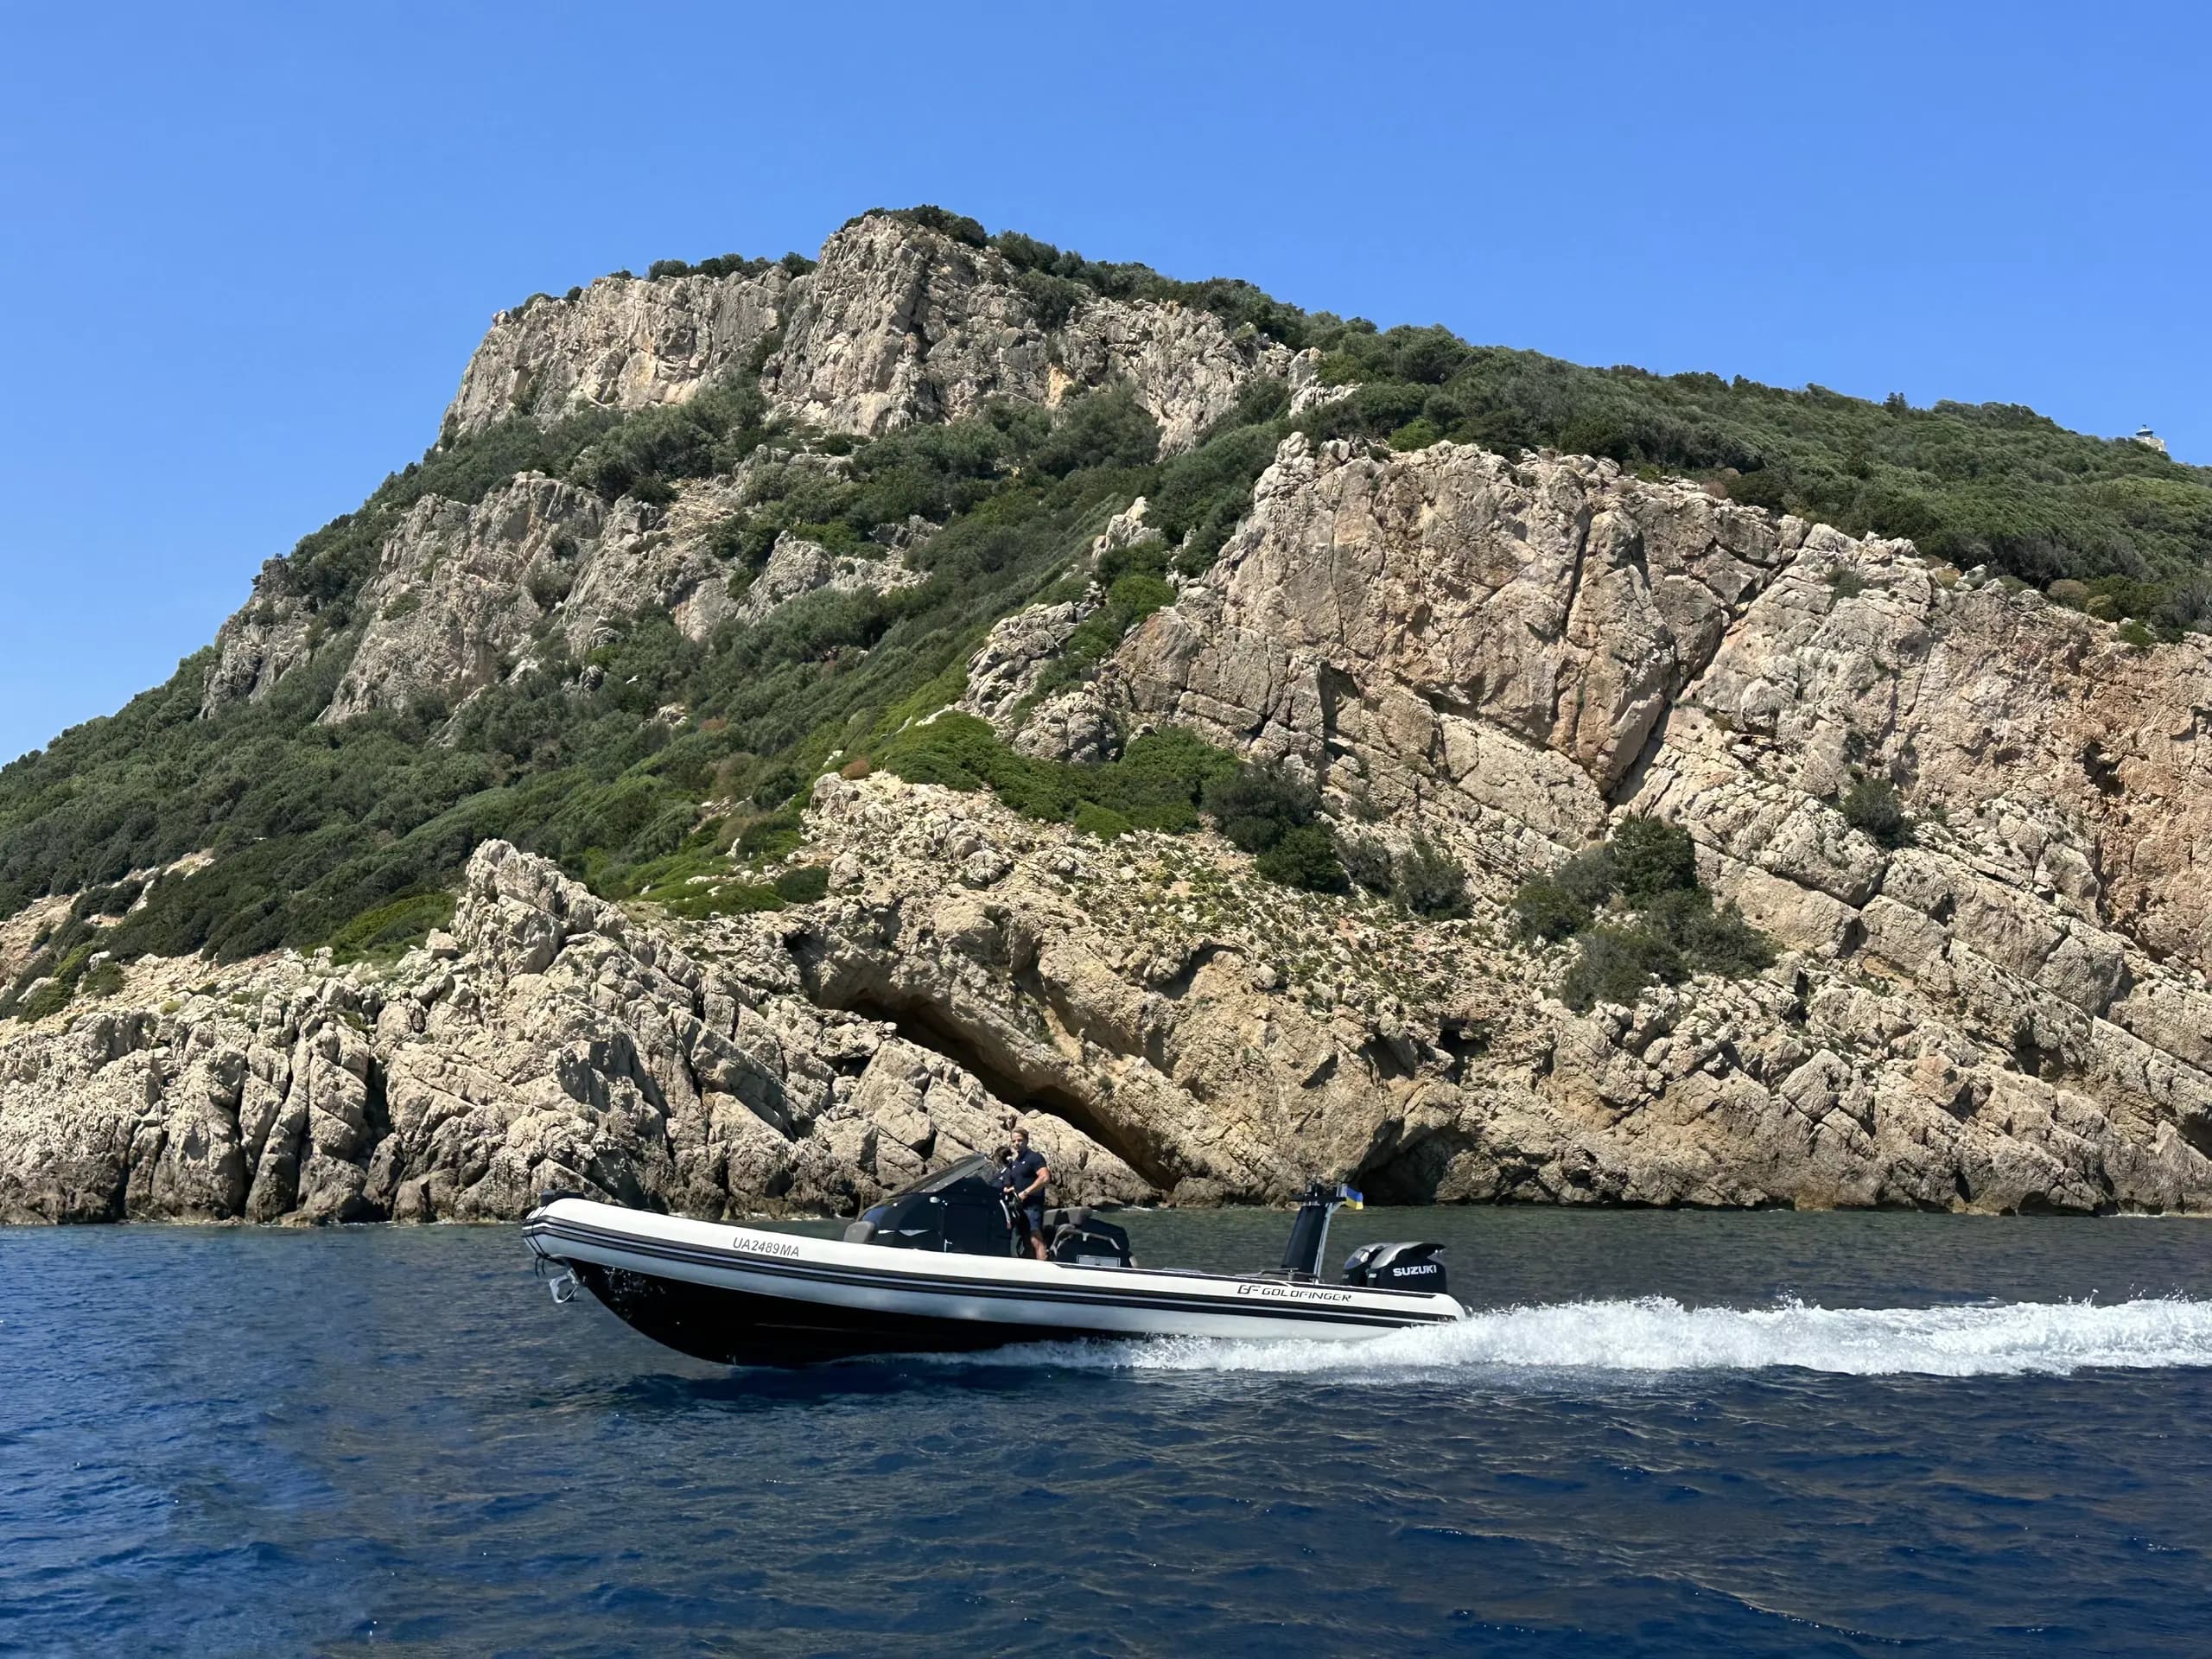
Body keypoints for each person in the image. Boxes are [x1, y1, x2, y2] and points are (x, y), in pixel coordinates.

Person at [996, 1126, 1051, 1262]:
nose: (1016, 1144)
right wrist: (1011, 1190)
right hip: (1018, 1208)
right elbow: (1020, 1182)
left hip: (1032, 1206)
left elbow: (1044, 1178)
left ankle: (1044, 1270)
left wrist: (1025, 1193)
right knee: (1023, 1240)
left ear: (1026, 1141)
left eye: (1020, 1140)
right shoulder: (1016, 1162)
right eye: (1014, 1141)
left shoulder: (1035, 1158)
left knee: (1035, 1238)